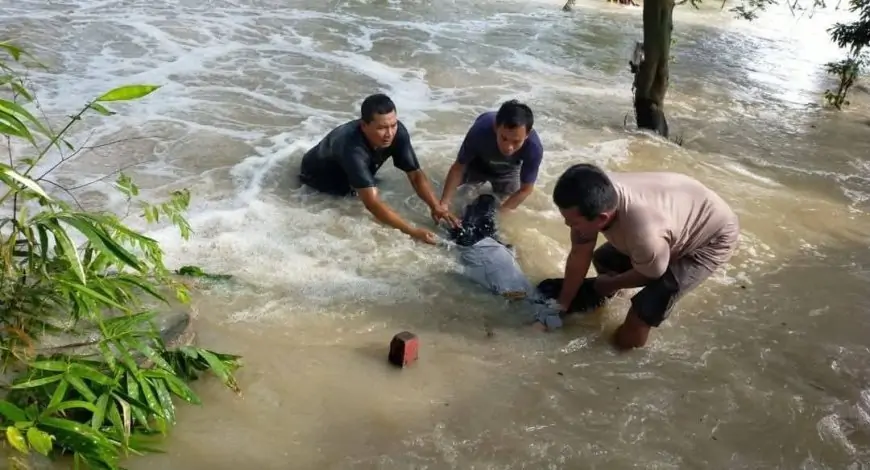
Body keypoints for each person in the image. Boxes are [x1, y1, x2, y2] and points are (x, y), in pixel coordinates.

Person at [539, 163, 740, 350]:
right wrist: (562, 304)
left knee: (643, 310)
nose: (568, 226)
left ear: (602, 219)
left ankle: (622, 359)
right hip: (678, 214)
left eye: (573, 223)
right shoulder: (592, 196)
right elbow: (579, 254)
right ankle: (611, 294)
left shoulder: (644, 233)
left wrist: (612, 283)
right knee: (605, 259)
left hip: (711, 239)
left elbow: (652, 274)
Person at [299, 94, 459, 245]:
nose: (389, 134)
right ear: (364, 125)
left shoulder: (397, 133)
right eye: (382, 128)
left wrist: (435, 207)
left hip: (353, 171)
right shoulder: (351, 148)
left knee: (371, 188)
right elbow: (372, 203)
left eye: (393, 125)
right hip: (319, 180)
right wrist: (412, 231)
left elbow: (415, 174)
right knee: (348, 212)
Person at [438, 100, 543, 214]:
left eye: (516, 141)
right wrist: (444, 203)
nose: (508, 147)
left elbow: (526, 189)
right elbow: (458, 167)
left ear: (527, 135)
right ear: (496, 127)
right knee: (461, 198)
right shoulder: (480, 131)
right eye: (504, 138)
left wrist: (501, 212)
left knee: (506, 205)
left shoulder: (534, 147)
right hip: (478, 163)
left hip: (508, 171)